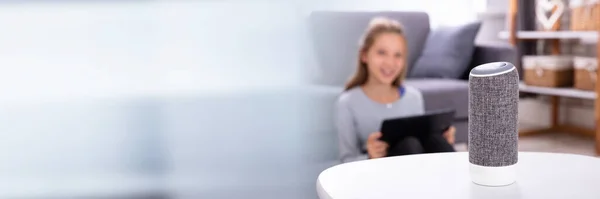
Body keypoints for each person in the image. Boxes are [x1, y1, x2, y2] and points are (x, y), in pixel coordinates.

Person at [335, 17, 456, 163]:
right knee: (409, 144)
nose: (390, 63)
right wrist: (370, 156)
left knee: (432, 139)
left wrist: (443, 141)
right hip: (379, 173)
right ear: (364, 55)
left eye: (398, 55)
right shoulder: (348, 102)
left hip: (417, 167)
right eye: (382, 53)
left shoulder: (413, 97)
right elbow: (345, 160)